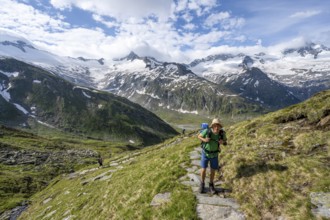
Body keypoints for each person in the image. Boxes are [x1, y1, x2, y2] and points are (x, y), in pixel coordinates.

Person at [197, 118, 227, 194]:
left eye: (218, 126)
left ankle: (211, 185)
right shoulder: (207, 131)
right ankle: (202, 184)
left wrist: (222, 142)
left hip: (214, 154)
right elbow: (199, 136)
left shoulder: (222, 133)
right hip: (205, 153)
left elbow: (225, 141)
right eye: (215, 126)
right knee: (203, 169)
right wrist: (204, 140)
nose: (217, 127)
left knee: (213, 170)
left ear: (220, 127)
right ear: (212, 126)